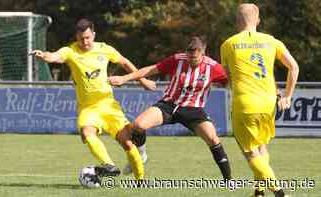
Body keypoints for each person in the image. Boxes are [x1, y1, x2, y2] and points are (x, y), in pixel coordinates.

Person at [32, 18, 154, 180]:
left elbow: (125, 62)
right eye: (81, 38)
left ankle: (140, 180)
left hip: (109, 106)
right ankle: (109, 165)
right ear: (76, 37)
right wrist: (44, 55)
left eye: (88, 37)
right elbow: (55, 56)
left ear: (94, 35)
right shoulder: (71, 51)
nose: (85, 41)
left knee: (127, 143)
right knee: (86, 132)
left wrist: (142, 80)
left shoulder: (105, 49)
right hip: (88, 108)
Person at [109, 36, 232, 181]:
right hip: (169, 105)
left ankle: (228, 180)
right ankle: (141, 155)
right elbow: (151, 69)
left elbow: (229, 80)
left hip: (194, 110)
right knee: (138, 125)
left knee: (213, 139)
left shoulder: (213, 67)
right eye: (189, 57)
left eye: (195, 58)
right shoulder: (177, 59)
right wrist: (124, 79)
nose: (191, 61)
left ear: (203, 54)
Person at [220, 3, 299, 197]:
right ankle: (259, 191)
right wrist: (287, 96)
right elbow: (294, 67)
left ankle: (280, 193)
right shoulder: (272, 41)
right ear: (258, 20)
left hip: (245, 104)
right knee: (261, 146)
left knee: (249, 152)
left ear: (238, 21)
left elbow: (227, 79)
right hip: (268, 103)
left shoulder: (228, 44)